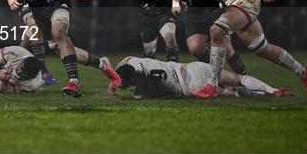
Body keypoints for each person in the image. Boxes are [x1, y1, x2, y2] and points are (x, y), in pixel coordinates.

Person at [114, 56, 293, 98]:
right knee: (237, 79)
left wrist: (117, 83)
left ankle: (261, 95)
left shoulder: (141, 92)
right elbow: (127, 62)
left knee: (233, 93)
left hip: (190, 89)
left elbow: (135, 87)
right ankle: (273, 90)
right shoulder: (136, 62)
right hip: (193, 70)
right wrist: (117, 76)